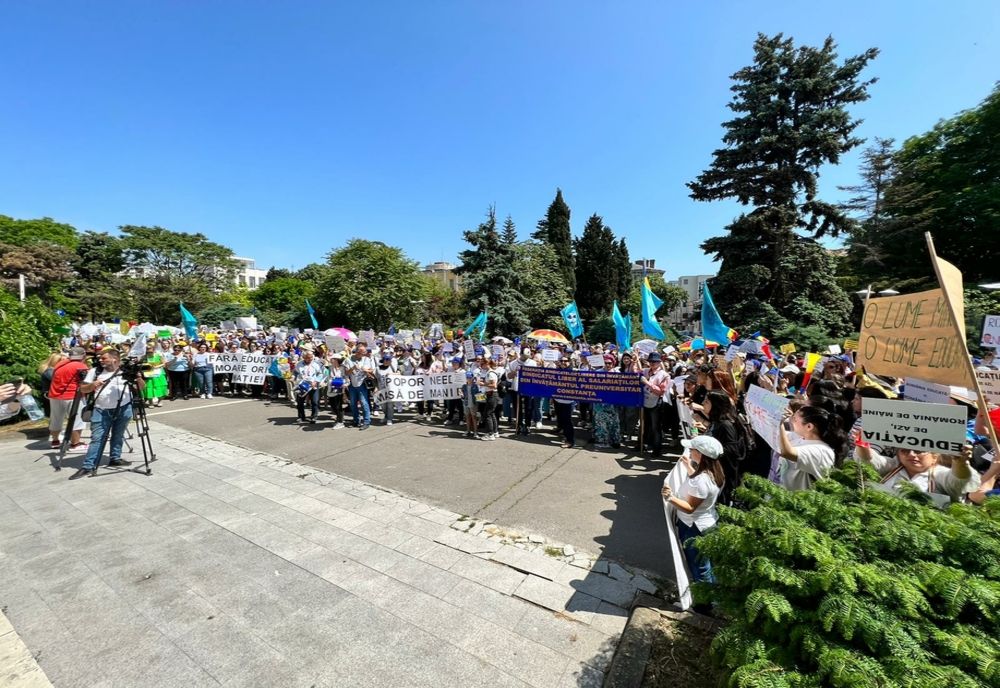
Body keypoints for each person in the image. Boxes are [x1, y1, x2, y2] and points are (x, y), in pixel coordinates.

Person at [71, 349, 145, 480]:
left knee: (118, 434)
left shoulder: (125, 371)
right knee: (97, 438)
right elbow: (82, 389)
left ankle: (115, 458)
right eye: (100, 358)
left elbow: (141, 387)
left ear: (114, 359)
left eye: (104, 358)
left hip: (124, 408)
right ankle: (88, 466)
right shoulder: (95, 371)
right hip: (101, 410)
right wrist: (93, 385)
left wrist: (138, 377)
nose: (100, 360)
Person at [661, 435, 725, 585]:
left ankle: (704, 597)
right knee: (706, 563)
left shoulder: (701, 481)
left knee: (699, 567)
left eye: (692, 449)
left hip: (693, 528)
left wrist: (670, 497)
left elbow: (690, 508)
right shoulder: (715, 473)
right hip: (707, 522)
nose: (689, 450)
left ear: (701, 454)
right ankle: (713, 591)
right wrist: (688, 467)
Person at [856, 444, 979, 505]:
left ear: (935, 455)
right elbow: (870, 461)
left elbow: (959, 479)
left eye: (919, 450)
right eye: (905, 450)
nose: (911, 454)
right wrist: (863, 446)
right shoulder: (892, 466)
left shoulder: (940, 474)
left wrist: (960, 463)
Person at [777, 406, 845, 491]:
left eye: (795, 419)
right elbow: (778, 435)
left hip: (797, 498)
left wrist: (780, 424)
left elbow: (786, 452)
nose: (791, 420)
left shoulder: (822, 451)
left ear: (809, 426)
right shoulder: (801, 438)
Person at [47, 346, 90, 452]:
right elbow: (86, 382)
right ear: (83, 355)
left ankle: (55, 441)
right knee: (77, 420)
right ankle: (75, 443)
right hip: (73, 395)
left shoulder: (60, 364)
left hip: (55, 395)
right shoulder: (81, 366)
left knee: (56, 419)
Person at [640, 352, 670, 456]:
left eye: (655, 361)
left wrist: (647, 383)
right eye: (651, 361)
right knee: (645, 425)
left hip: (656, 403)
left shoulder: (664, 375)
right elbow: (635, 371)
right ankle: (643, 444)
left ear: (659, 362)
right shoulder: (645, 371)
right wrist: (635, 359)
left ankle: (656, 449)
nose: (652, 363)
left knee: (655, 427)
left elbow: (661, 391)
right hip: (645, 401)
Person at [344, 343, 375, 429]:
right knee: (353, 404)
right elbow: (346, 373)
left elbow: (372, 370)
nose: (365, 354)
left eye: (365, 352)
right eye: (363, 352)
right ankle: (356, 420)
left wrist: (366, 370)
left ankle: (366, 421)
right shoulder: (348, 359)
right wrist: (353, 368)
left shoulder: (366, 359)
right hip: (352, 384)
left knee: (364, 402)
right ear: (357, 352)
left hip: (362, 384)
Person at [293, 350, 327, 424]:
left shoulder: (316, 364)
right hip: (302, 384)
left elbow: (321, 374)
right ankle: (301, 417)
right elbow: (295, 372)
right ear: (304, 357)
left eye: (311, 357)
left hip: (313, 385)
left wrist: (316, 381)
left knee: (315, 401)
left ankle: (314, 417)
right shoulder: (299, 364)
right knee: (300, 402)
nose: (310, 359)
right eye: (308, 357)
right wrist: (293, 377)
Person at [326, 353, 347, 428]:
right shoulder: (329, 367)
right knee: (332, 405)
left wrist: (345, 383)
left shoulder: (343, 368)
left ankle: (340, 422)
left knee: (338, 406)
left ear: (337, 360)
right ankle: (339, 418)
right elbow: (327, 376)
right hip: (331, 388)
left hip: (339, 389)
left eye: (333, 359)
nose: (331, 360)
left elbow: (346, 377)